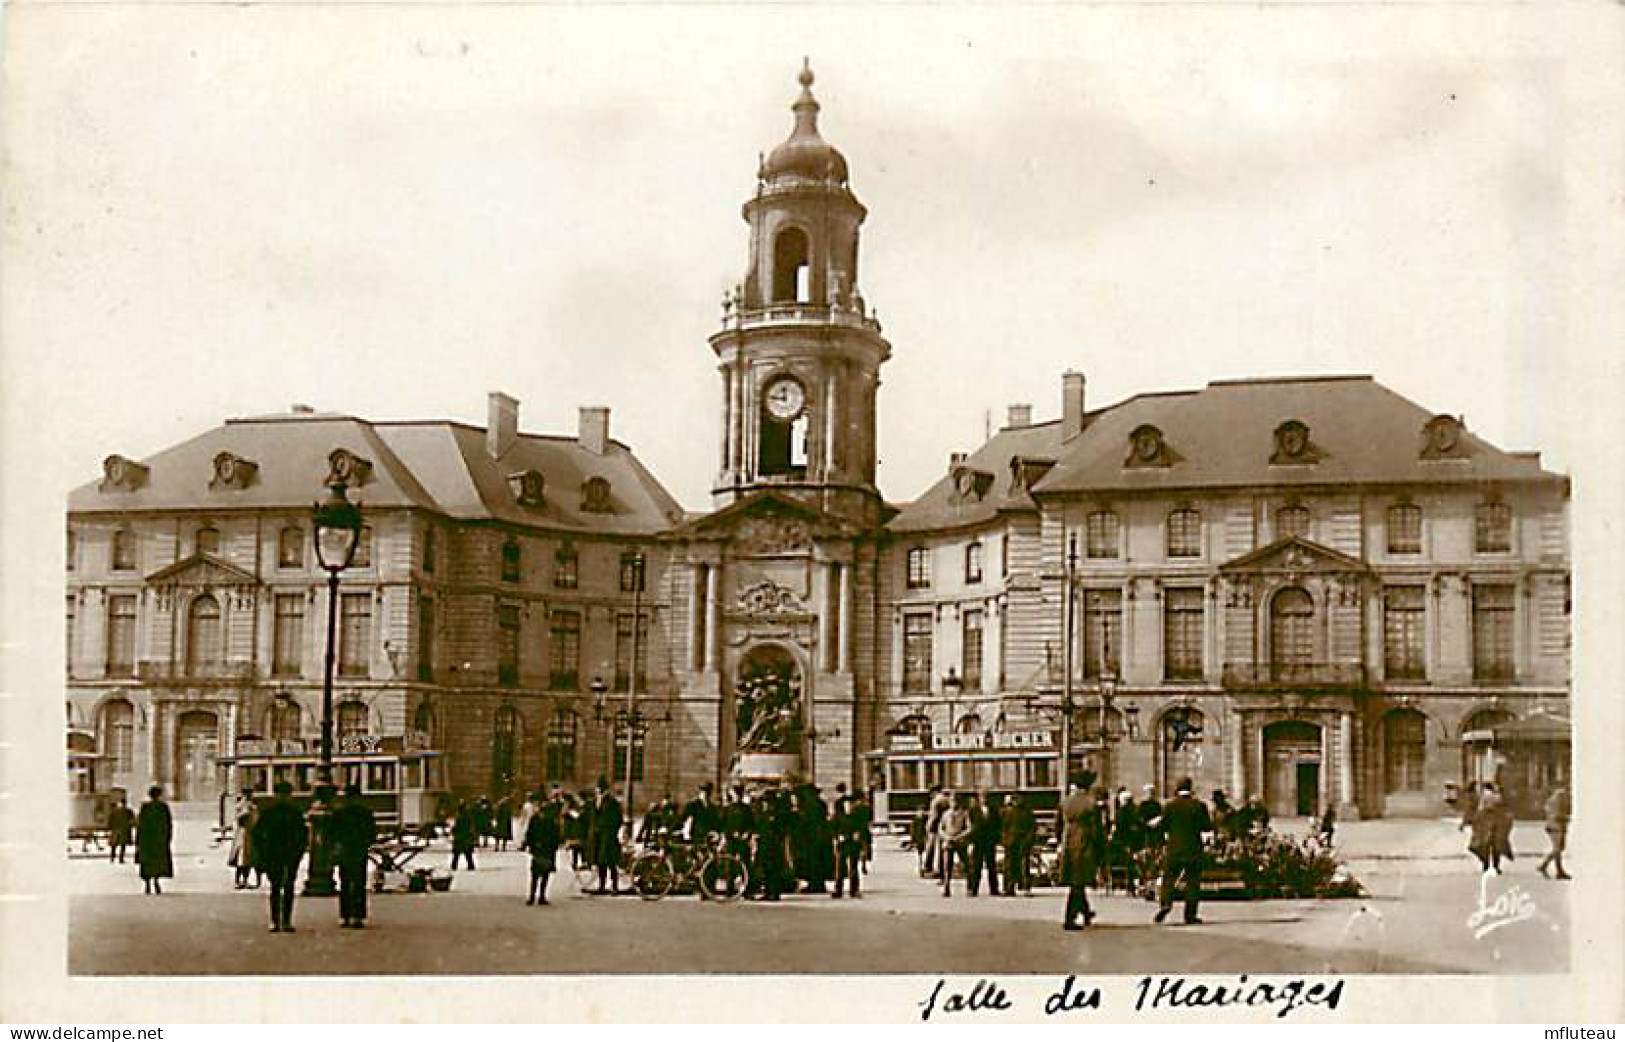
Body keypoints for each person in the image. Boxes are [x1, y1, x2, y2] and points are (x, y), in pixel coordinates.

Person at [252, 780, 309, 932]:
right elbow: (303, 834)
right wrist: (299, 851)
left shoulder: (269, 812)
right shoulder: (294, 812)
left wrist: (263, 851)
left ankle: (277, 920)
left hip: (276, 853)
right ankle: (284, 920)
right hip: (285, 853)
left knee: (278, 887)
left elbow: (257, 834)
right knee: (285, 887)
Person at [1154, 778, 1212, 926]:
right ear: (1191, 788)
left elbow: (1163, 827)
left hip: (1174, 848)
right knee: (1192, 882)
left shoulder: (1170, 806)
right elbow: (1206, 827)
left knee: (1169, 879)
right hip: (1193, 849)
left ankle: (1166, 904)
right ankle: (1190, 915)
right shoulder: (1199, 806)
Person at [1060, 774, 1105, 930]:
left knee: (1076, 880)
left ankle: (1086, 912)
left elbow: (1058, 824)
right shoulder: (1091, 804)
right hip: (1085, 844)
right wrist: (1101, 850)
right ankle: (1069, 918)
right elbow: (1097, 831)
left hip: (1069, 843)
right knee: (1077, 883)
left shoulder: (1066, 802)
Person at [331, 783, 378, 929]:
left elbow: (334, 833)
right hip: (359, 850)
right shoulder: (365, 813)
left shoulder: (340, 813)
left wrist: (337, 847)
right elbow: (371, 832)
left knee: (345, 882)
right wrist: (366, 843)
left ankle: (345, 915)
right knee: (359, 883)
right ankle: (357, 915)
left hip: (345, 850)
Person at [134, 785, 173, 895]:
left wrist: (138, 839)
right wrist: (167, 837)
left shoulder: (145, 807)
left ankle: (147, 884)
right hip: (158, 839)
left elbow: (140, 825)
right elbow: (168, 824)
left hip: (147, 839)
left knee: (147, 862)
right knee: (157, 862)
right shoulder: (163, 807)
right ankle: (156, 881)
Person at [522, 801, 563, 905]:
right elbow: (556, 835)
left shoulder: (538, 819)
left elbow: (529, 833)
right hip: (544, 850)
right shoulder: (550, 821)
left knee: (538, 875)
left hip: (541, 849)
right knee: (541, 875)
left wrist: (528, 844)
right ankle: (538, 896)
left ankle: (536, 896)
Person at [588, 781, 624, 894]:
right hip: (598, 837)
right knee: (600, 862)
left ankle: (615, 886)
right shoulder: (595, 802)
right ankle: (602, 885)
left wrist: (612, 831)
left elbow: (618, 818)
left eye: (598, 789)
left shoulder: (612, 802)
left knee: (611, 863)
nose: (597, 792)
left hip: (608, 837)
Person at [1469, 787, 1515, 875]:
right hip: (1488, 821)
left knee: (1494, 846)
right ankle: (1489, 865)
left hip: (1495, 822)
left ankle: (1492, 866)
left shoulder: (1495, 799)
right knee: (1486, 846)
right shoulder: (1489, 798)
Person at [936, 792, 973, 897]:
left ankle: (969, 888)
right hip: (948, 842)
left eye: (955, 801)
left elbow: (969, 828)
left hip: (960, 842)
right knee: (947, 866)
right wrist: (946, 837)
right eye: (952, 801)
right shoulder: (946, 814)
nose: (953, 803)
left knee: (966, 865)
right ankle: (946, 888)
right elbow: (940, 828)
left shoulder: (964, 814)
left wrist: (959, 836)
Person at [1001, 793, 1037, 896]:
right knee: (1009, 865)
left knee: (1024, 865)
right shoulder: (1007, 812)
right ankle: (1009, 887)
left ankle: (1025, 887)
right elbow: (1003, 827)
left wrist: (1029, 840)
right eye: (1015, 799)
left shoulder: (1027, 812)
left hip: (1023, 840)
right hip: (1011, 841)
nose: (1017, 801)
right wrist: (1005, 840)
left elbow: (1032, 828)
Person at [967, 791, 1001, 897]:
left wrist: (996, 839)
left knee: (992, 866)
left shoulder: (994, 810)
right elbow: (970, 827)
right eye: (982, 797)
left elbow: (998, 824)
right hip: (978, 841)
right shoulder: (973, 811)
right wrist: (971, 841)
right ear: (979, 799)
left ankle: (994, 889)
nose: (984, 799)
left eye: (986, 797)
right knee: (976, 866)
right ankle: (973, 889)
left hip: (990, 842)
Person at [831, 794, 864, 899]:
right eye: (847, 805)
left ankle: (854, 890)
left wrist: (858, 837)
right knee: (840, 868)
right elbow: (833, 829)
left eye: (850, 804)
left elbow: (862, 830)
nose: (849, 806)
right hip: (842, 844)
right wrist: (837, 837)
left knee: (854, 867)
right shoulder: (838, 817)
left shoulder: (857, 816)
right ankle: (838, 890)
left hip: (853, 844)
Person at [1537, 785, 1571, 880]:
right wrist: (1566, 818)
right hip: (1556, 827)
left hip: (1555, 826)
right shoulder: (1557, 800)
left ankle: (1544, 866)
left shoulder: (1551, 801)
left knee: (1559, 848)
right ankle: (1558, 871)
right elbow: (1557, 816)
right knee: (1557, 849)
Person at [229, 791, 260, 889]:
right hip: (243, 835)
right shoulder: (243, 807)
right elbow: (239, 817)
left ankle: (245, 880)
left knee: (248, 859)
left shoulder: (251, 807)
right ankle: (239, 880)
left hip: (249, 834)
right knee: (241, 858)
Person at [923, 786, 952, 877]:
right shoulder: (947, 799)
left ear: (934, 792)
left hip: (936, 827)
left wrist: (928, 826)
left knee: (932, 848)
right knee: (942, 850)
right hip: (946, 827)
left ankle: (929, 867)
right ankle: (941, 868)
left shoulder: (936, 800)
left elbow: (934, 816)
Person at [106, 794, 134, 865]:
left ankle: (112, 858)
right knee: (123, 845)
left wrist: (109, 827)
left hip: (116, 830)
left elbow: (110, 820)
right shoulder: (128, 811)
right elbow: (131, 821)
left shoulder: (115, 811)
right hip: (124, 830)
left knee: (114, 845)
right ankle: (121, 858)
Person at [450, 801, 477, 871]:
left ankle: (454, 866)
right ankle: (471, 866)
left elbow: (455, 827)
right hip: (466, 837)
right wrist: (472, 836)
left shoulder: (458, 817)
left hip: (459, 838)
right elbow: (471, 827)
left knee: (456, 854)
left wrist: (453, 832)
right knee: (468, 854)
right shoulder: (468, 817)